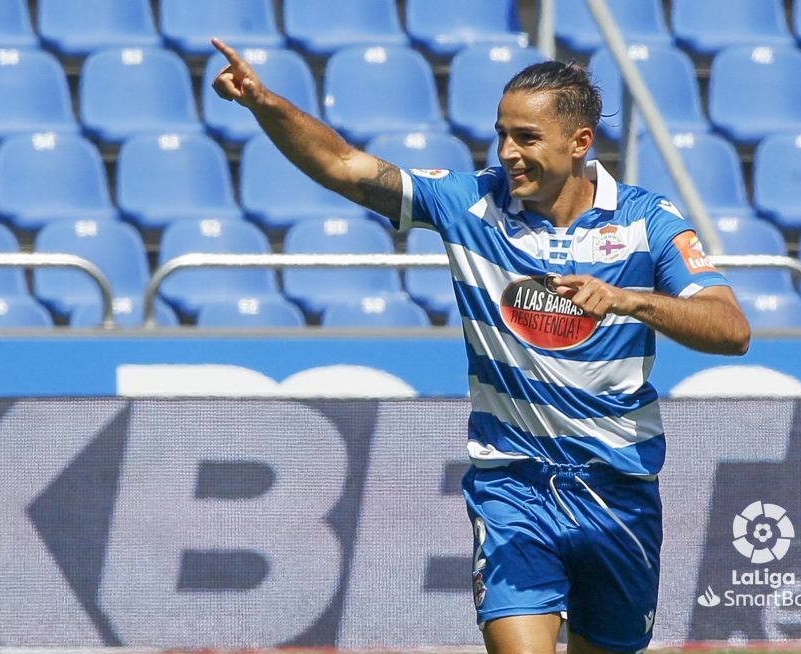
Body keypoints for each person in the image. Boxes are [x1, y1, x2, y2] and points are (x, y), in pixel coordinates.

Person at [211, 38, 750, 654]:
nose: (507, 154)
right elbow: (344, 166)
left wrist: (632, 300)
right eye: (501, 135)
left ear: (579, 143)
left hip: (618, 487)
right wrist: (261, 102)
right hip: (513, 487)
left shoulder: (647, 220)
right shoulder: (469, 204)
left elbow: (731, 328)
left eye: (526, 137)